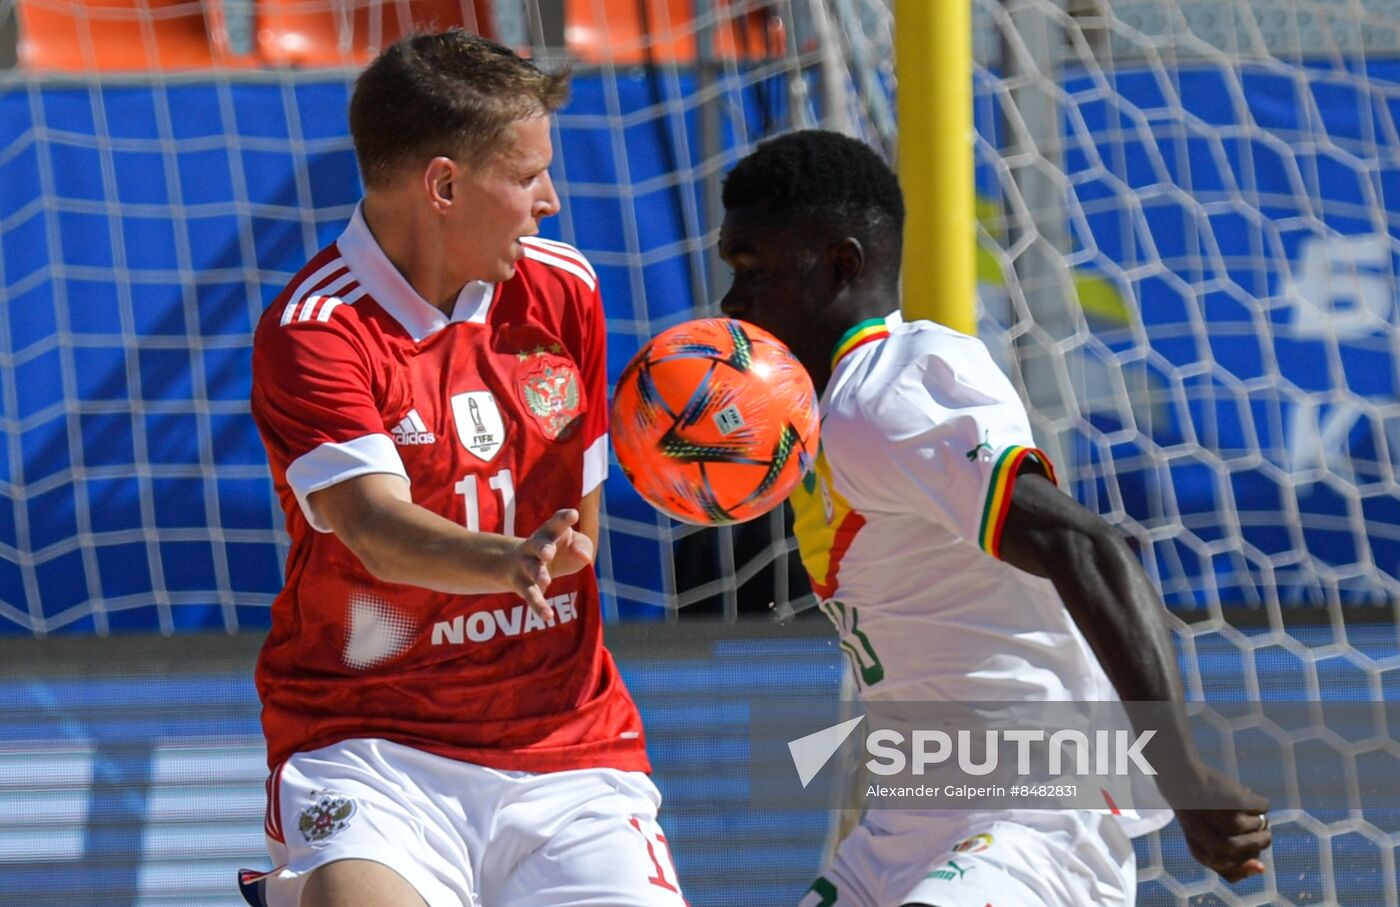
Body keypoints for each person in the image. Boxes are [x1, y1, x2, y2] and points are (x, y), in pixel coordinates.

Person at [717, 130, 1272, 907]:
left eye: (753, 269)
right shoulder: (823, 414)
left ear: (841, 265)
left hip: (1035, 814)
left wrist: (1177, 767)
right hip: (907, 827)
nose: (731, 301)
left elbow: (1086, 543)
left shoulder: (891, 389)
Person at [239, 31, 686, 907]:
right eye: (527, 178)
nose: (551, 202)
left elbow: (580, 539)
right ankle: (311, 883)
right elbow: (372, 526)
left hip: (565, 743)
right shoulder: (315, 328)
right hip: (370, 740)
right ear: (444, 185)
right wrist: (508, 560)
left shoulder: (565, 290)